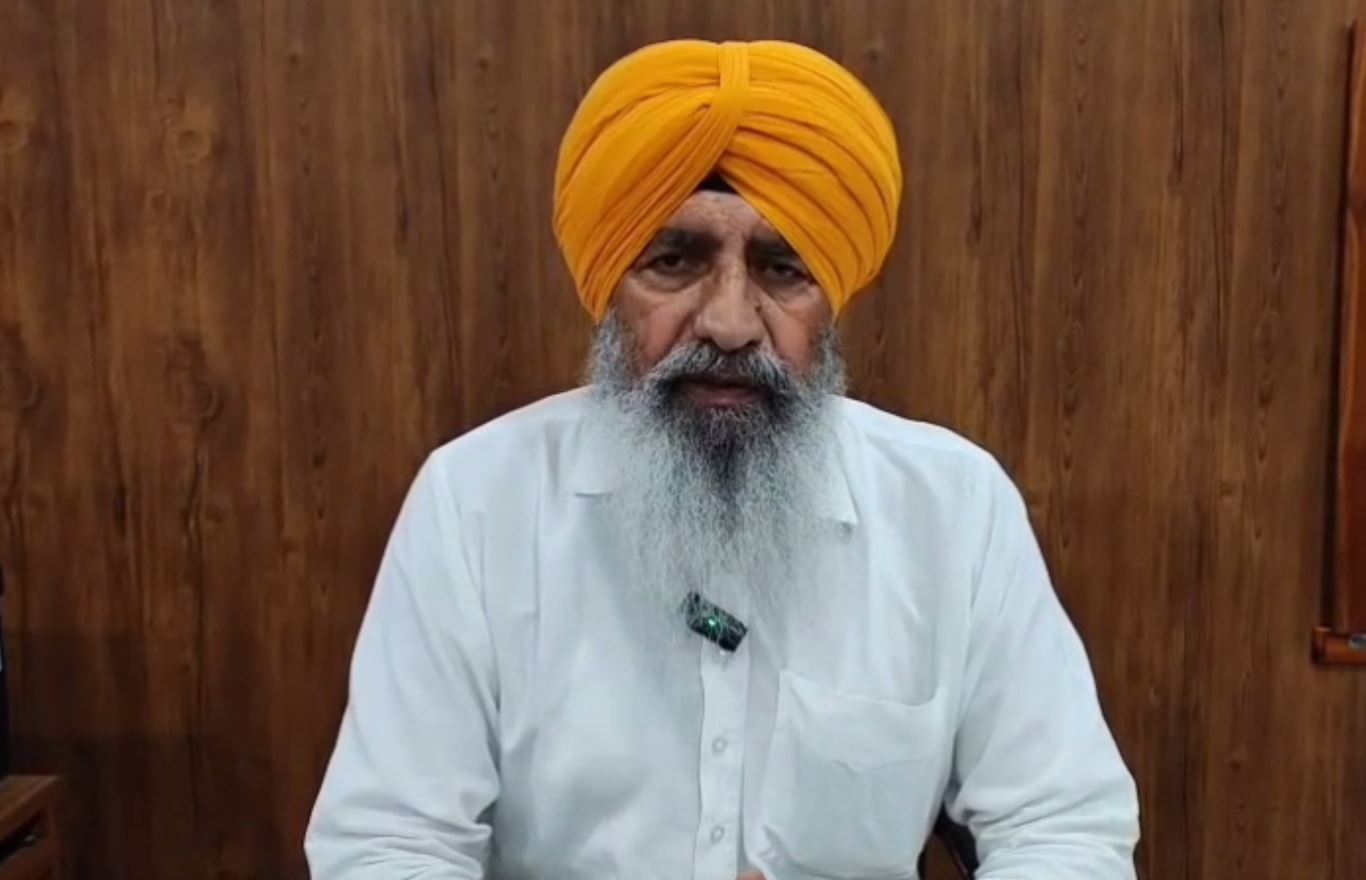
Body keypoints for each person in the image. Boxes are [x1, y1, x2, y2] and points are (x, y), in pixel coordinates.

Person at [305, 39, 1140, 880]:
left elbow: (1063, 829)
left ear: (831, 297)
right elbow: (386, 847)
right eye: (674, 262)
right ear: (610, 288)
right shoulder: (476, 504)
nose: (731, 324)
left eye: (783, 270)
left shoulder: (952, 508)